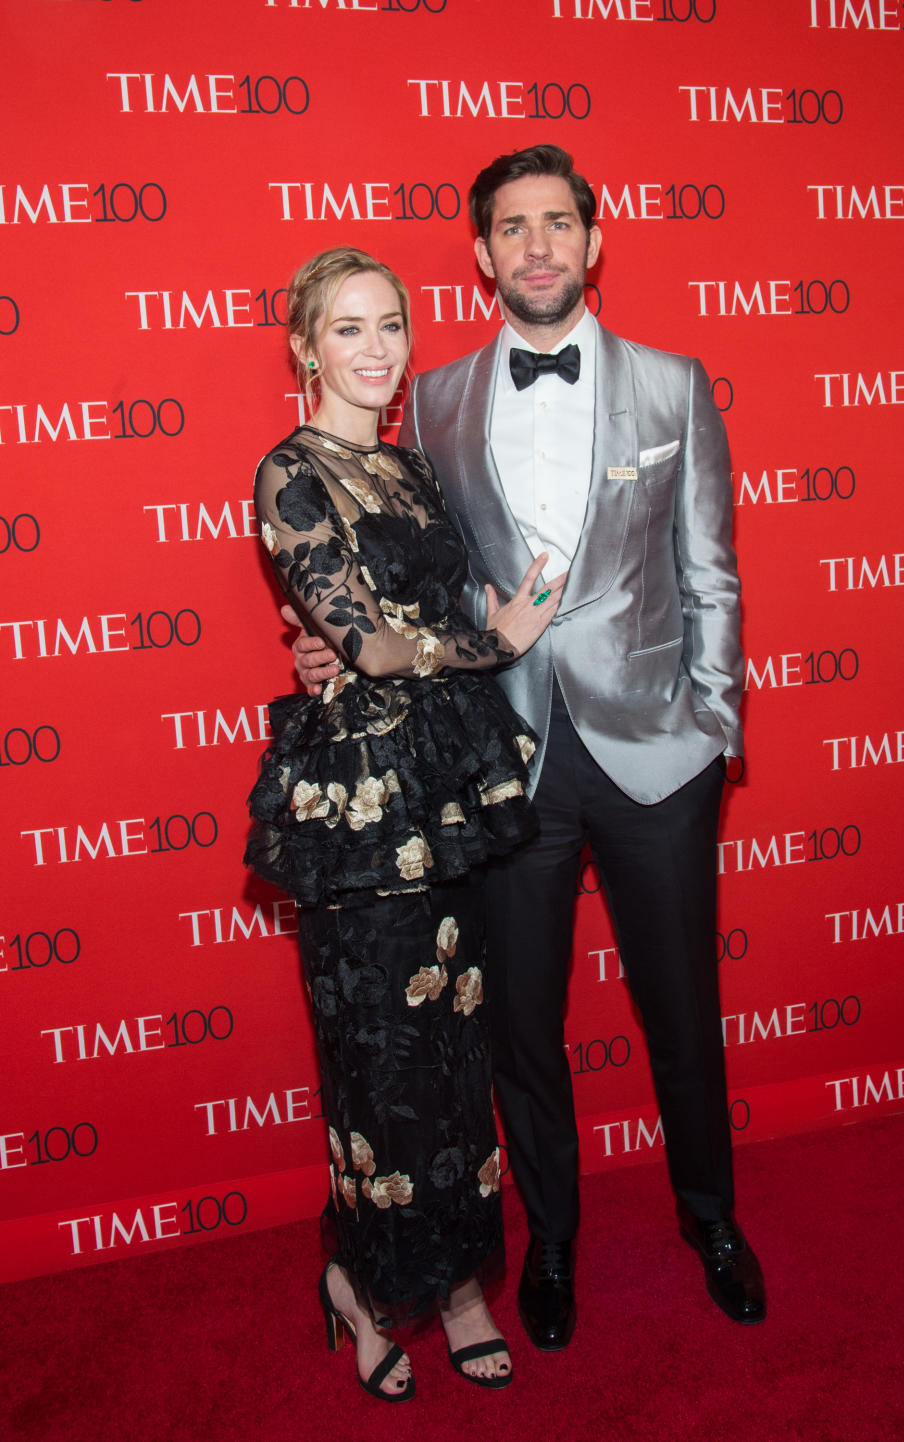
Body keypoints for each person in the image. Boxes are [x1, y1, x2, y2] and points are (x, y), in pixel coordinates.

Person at [290, 145, 766, 1352]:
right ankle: (548, 1240)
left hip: (660, 751)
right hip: (503, 754)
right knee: (521, 1024)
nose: (538, 246)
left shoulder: (672, 383)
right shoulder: (436, 399)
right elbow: (406, 573)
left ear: (593, 243)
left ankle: (709, 1216)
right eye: (514, 228)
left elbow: (708, 566)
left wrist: (717, 724)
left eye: (559, 223)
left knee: (681, 1006)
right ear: (483, 252)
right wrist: (336, 648)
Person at [246, 245, 566, 1399]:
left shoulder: (413, 470)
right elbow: (368, 639)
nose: (375, 349)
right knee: (380, 1063)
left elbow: (422, 609)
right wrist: (500, 641)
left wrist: (501, 613)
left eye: (390, 326)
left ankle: (466, 1281)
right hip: (364, 808)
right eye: (347, 329)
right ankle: (372, 1289)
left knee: (459, 1048)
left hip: (448, 790)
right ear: (304, 346)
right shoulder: (289, 473)